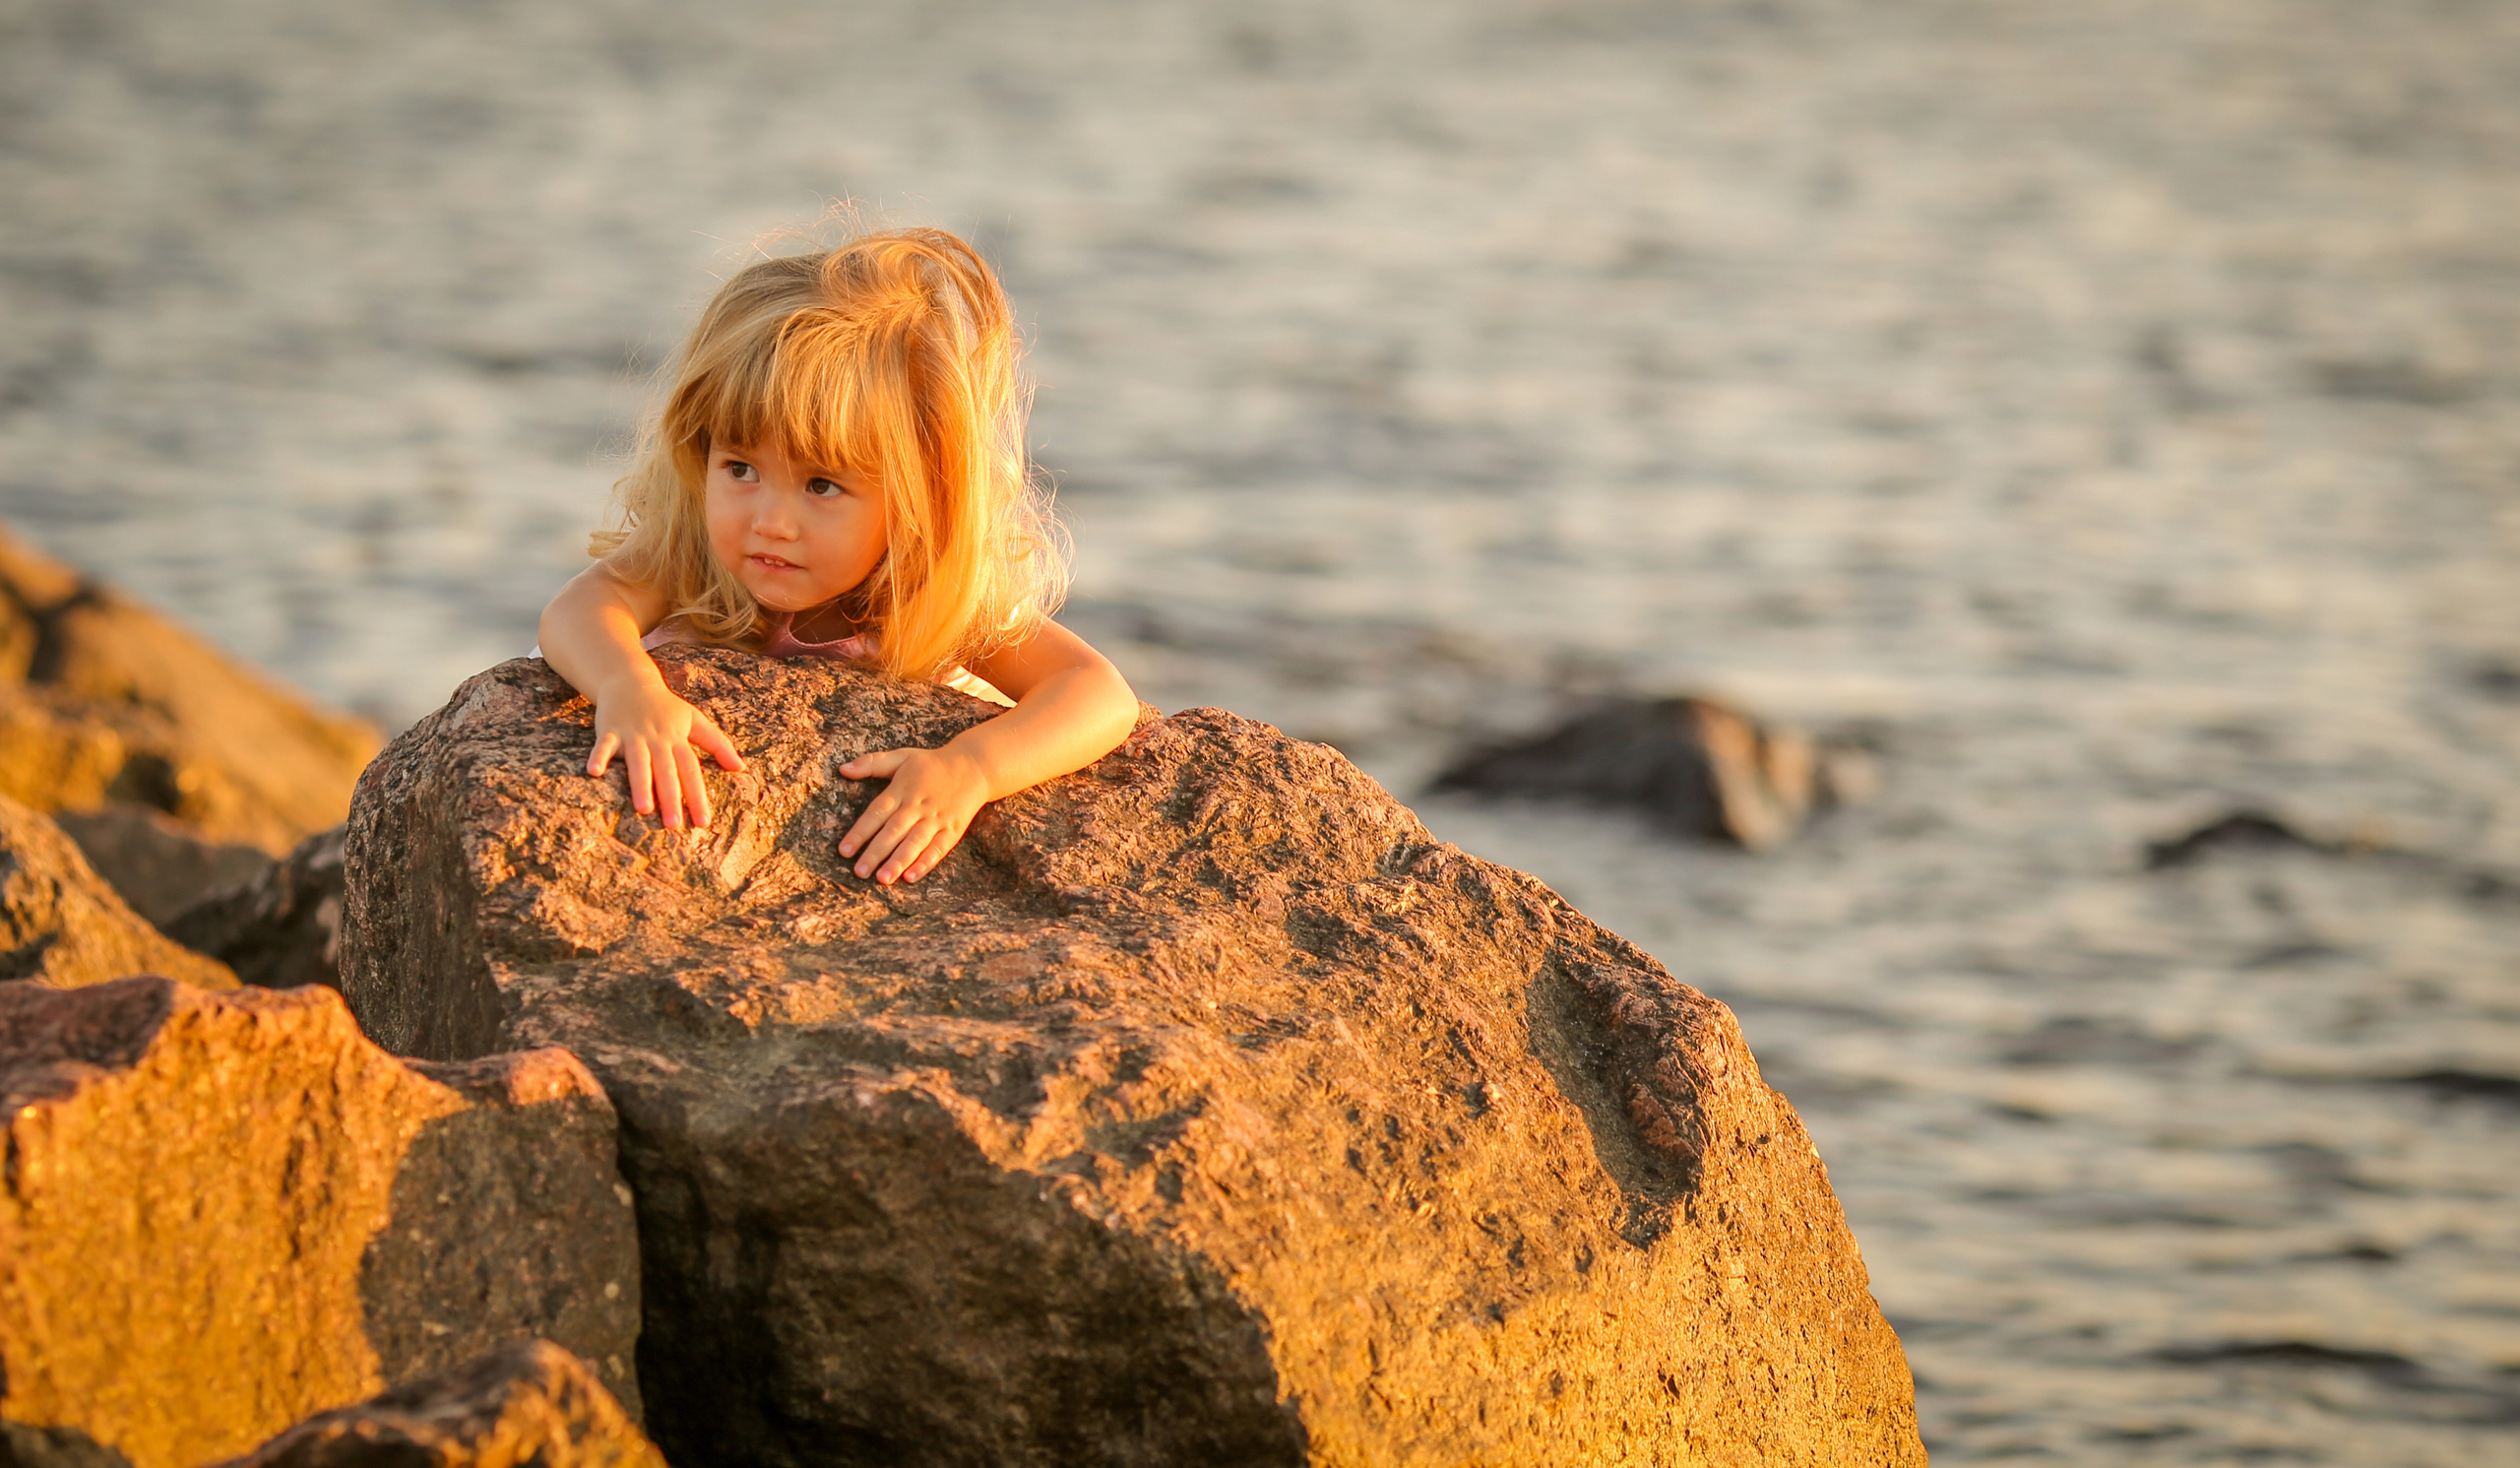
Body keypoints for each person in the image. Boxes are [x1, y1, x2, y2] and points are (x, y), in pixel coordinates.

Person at [536, 227, 1139, 886]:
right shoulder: (696, 554)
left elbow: (1098, 693)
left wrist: (972, 767)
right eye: (740, 467)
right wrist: (627, 686)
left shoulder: (921, 599)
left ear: (918, 499)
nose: (770, 521)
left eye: (821, 485)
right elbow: (581, 607)